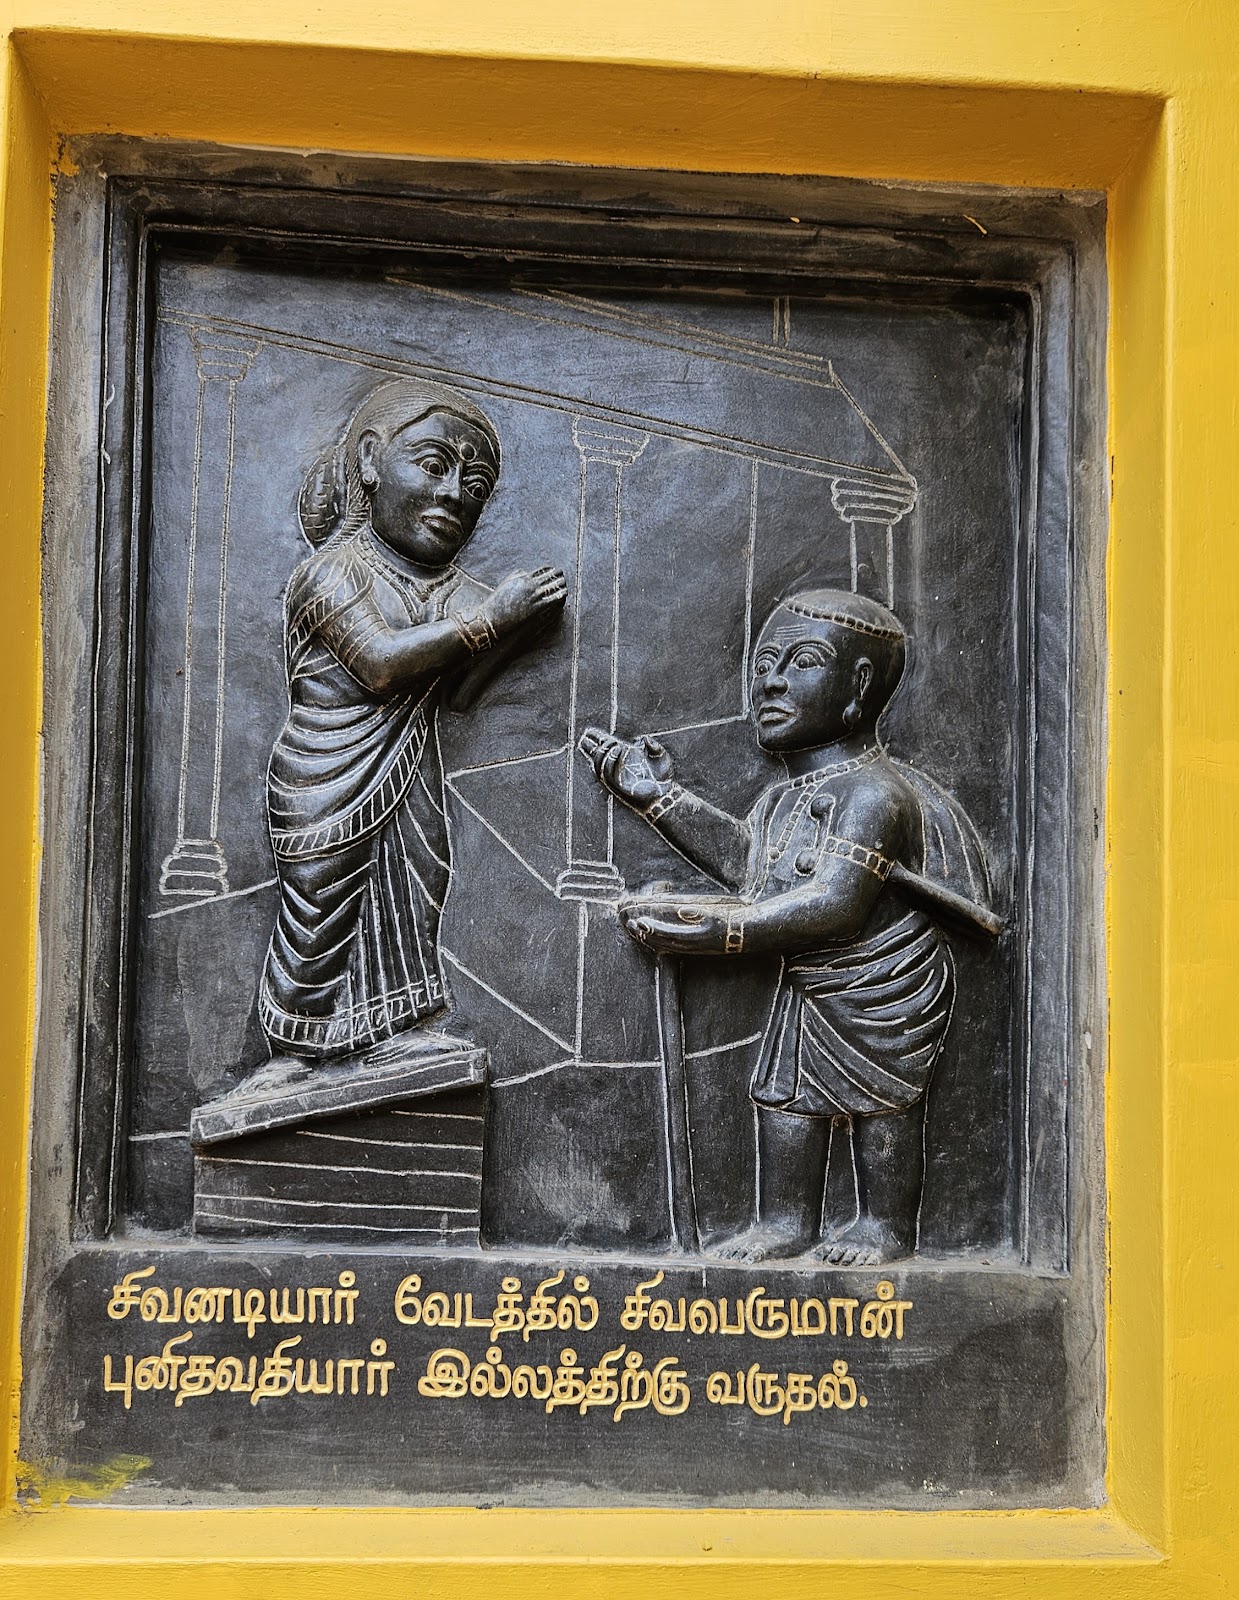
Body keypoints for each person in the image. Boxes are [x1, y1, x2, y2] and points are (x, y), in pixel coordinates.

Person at [579, 588, 980, 1266]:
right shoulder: (779, 798)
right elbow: (754, 873)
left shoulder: (874, 795)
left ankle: (884, 1226)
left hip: (879, 988)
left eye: (801, 662)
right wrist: (658, 798)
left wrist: (717, 935)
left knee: (880, 1103)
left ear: (858, 686)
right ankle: (785, 1221)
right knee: (785, 1098)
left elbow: (834, 903)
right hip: (810, 981)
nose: (770, 681)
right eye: (763, 663)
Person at [256, 377, 567, 1069]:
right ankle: (293, 1050)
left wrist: (515, 630)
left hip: (409, 771)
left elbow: (459, 694)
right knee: (321, 911)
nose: (454, 494)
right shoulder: (332, 573)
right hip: (326, 775)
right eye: (433, 465)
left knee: (411, 889)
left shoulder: (450, 590)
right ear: (371, 460)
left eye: (475, 485)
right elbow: (379, 666)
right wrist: (493, 621)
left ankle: (390, 1028)